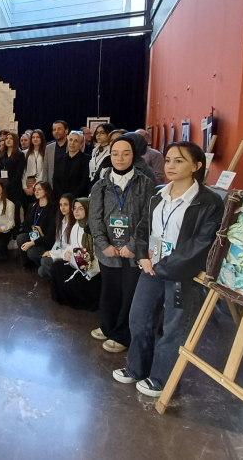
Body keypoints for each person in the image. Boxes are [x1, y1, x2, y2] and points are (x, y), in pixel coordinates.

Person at [113, 141, 224, 397]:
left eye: (179, 161)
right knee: (138, 318)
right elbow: (144, 228)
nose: (170, 165)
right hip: (151, 266)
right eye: (169, 160)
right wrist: (143, 256)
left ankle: (161, 378)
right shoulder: (158, 194)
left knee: (175, 328)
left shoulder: (209, 201)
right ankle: (136, 368)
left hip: (181, 273)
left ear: (196, 166)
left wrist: (163, 267)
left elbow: (201, 244)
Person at [87, 135, 155, 353]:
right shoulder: (101, 185)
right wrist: (103, 244)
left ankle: (122, 335)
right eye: (115, 154)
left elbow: (147, 218)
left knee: (129, 294)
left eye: (126, 153)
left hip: (132, 251)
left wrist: (133, 245)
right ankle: (108, 327)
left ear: (133, 155)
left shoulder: (145, 183)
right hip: (108, 249)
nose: (120, 158)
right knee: (110, 291)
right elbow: (94, 218)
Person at [49, 198, 101, 310]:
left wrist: (83, 262)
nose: (76, 211)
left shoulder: (94, 228)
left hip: (92, 268)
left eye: (80, 208)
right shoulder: (76, 226)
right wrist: (68, 253)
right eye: (74, 208)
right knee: (56, 267)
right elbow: (72, 245)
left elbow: (96, 253)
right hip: (76, 262)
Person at [17, 181, 57, 270]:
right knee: (21, 237)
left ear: (46, 191)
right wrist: (32, 231)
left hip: (45, 240)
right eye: (35, 190)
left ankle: (41, 264)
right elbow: (26, 224)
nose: (36, 192)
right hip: (33, 235)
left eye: (39, 189)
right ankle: (27, 263)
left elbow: (50, 234)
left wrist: (34, 241)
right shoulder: (32, 206)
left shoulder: (52, 209)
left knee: (32, 252)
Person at [38, 193, 75, 279]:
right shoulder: (61, 221)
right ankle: (59, 278)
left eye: (65, 205)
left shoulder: (75, 224)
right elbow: (58, 242)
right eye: (61, 205)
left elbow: (71, 248)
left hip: (68, 256)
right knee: (41, 271)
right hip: (59, 253)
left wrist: (53, 254)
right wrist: (51, 252)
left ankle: (65, 280)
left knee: (44, 262)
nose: (62, 208)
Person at [53, 130, 90, 198]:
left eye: (76, 141)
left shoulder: (86, 159)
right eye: (70, 140)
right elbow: (55, 179)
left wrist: (71, 197)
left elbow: (84, 181)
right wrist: (62, 196)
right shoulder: (60, 158)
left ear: (81, 144)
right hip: (61, 198)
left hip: (77, 198)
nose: (72, 143)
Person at [0, 131, 26, 211]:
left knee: (14, 211)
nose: (8, 140)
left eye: (11, 139)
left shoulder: (20, 155)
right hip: (2, 187)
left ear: (15, 141)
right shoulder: (1, 154)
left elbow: (19, 173)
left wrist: (8, 184)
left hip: (14, 188)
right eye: (7, 138)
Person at [22, 130, 46, 215]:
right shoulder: (25, 153)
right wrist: (25, 187)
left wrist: (35, 186)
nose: (35, 139)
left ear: (42, 139)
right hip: (27, 185)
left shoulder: (45, 152)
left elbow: (44, 169)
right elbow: (23, 170)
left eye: (38, 137)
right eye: (33, 137)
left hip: (40, 184)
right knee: (27, 210)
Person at [89, 123, 116, 188]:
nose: (98, 135)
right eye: (97, 133)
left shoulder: (112, 150)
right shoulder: (95, 150)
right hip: (92, 182)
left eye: (102, 133)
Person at [43, 120, 69, 187]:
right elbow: (45, 168)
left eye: (59, 129)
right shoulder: (48, 148)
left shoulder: (71, 146)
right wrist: (45, 186)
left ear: (66, 131)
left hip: (67, 185)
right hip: (52, 185)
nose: (56, 131)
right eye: (54, 129)